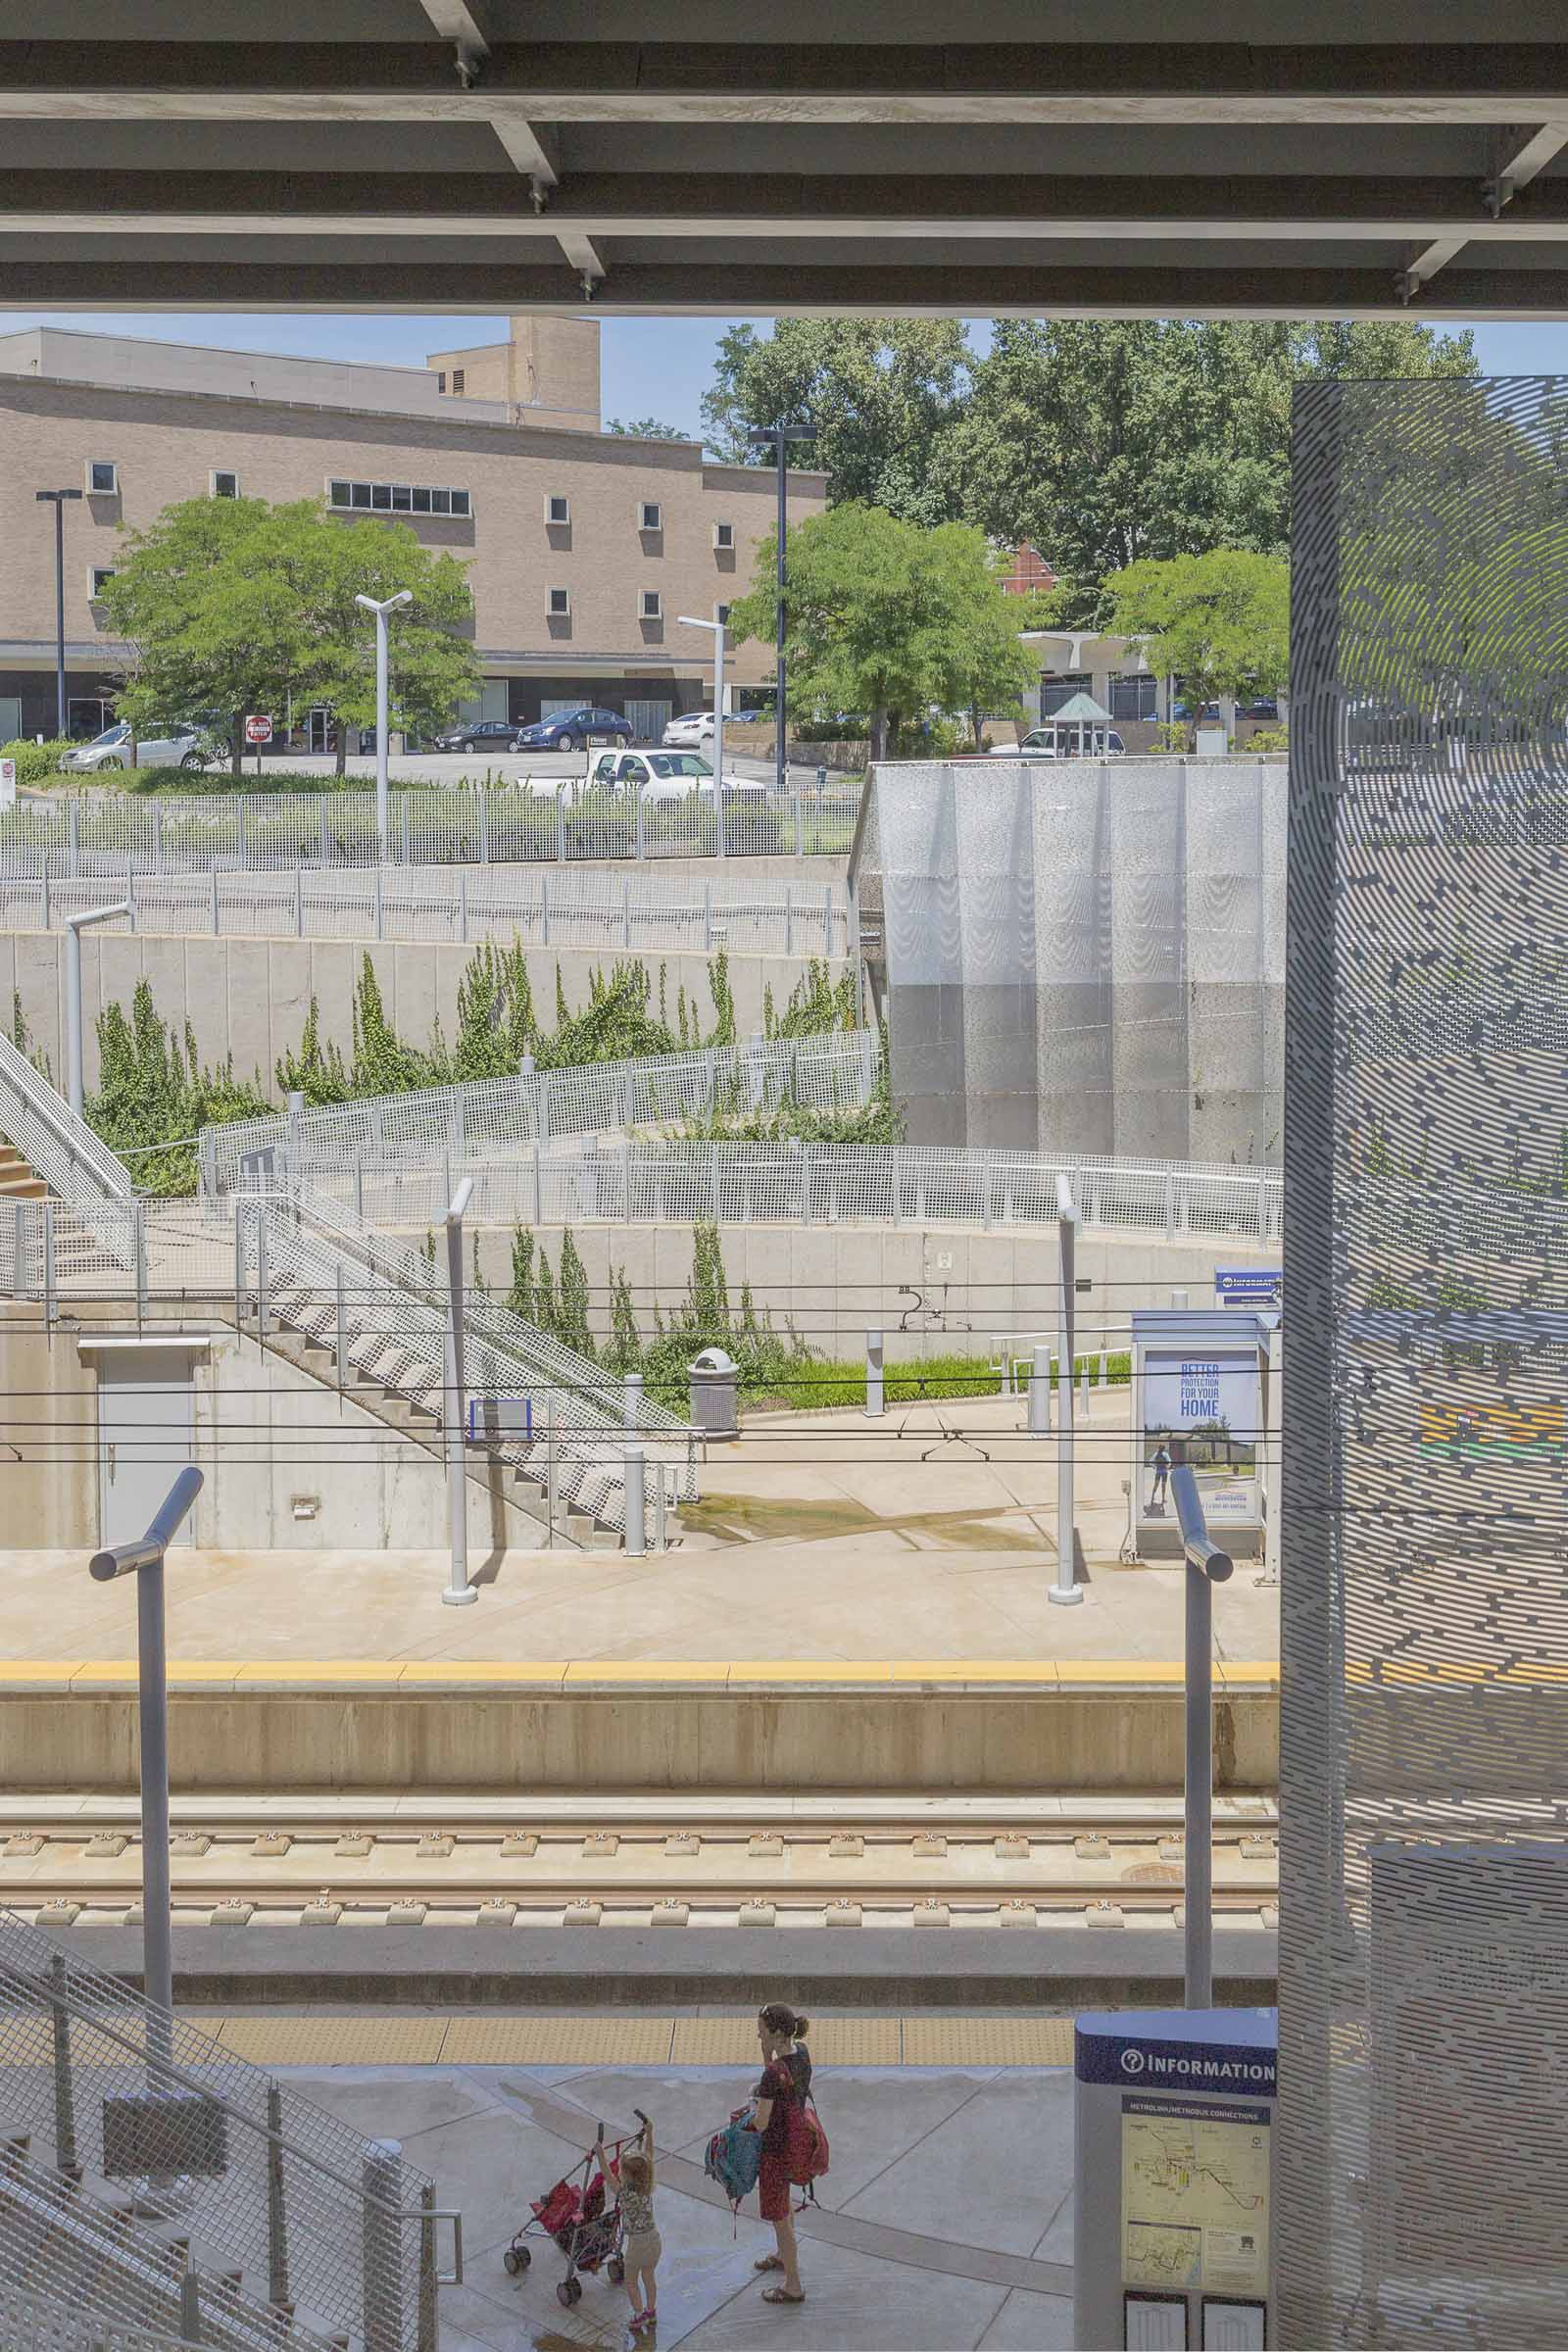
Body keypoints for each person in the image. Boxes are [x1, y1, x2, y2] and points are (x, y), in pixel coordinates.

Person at [749, 2002, 811, 2306]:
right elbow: (782, 2088)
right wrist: (766, 2059)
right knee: (786, 2206)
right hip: (795, 2146)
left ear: (775, 2033)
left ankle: (793, 2285)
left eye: (761, 2034)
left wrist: (745, 2121)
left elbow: (761, 2122)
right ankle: (782, 2255)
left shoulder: (773, 2074)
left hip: (775, 2151)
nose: (759, 2038)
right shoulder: (802, 2053)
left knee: (780, 2217)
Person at [598, 2111, 660, 2335]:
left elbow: (606, 2175)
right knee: (649, 2277)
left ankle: (639, 2313)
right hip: (654, 2241)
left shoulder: (624, 2194)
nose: (618, 2173)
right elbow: (649, 2158)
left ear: (627, 2176)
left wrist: (600, 2154)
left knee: (631, 2282)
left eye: (621, 2171)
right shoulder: (647, 2187)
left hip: (637, 2246)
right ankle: (651, 2311)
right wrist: (650, 2134)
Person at [1150, 1440, 1172, 1510]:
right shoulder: (1166, 1454)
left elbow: (1150, 1461)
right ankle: (1163, 1499)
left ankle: (1152, 1497)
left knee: (1156, 1485)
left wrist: (1154, 1467)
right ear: (1164, 1448)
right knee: (1163, 1486)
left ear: (1159, 1448)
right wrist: (1167, 1467)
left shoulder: (1156, 1454)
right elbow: (1169, 1462)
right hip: (1164, 1472)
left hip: (1158, 1471)